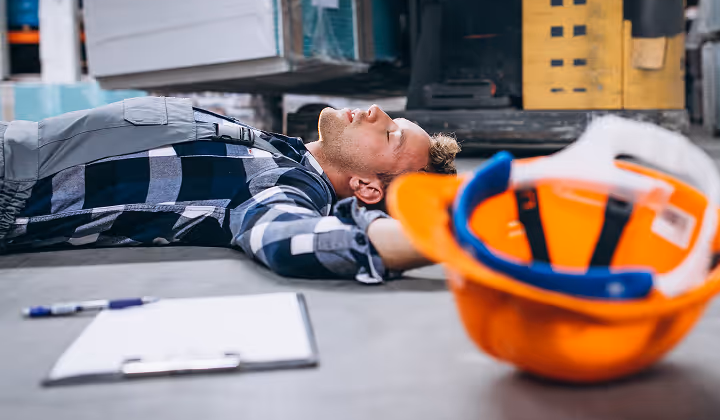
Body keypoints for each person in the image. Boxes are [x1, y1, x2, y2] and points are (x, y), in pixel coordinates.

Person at [0, 100, 461, 284]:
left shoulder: (281, 182)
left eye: (391, 137)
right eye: (395, 121)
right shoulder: (270, 148)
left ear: (365, 188)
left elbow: (288, 239)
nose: (379, 112)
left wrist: (452, 236)